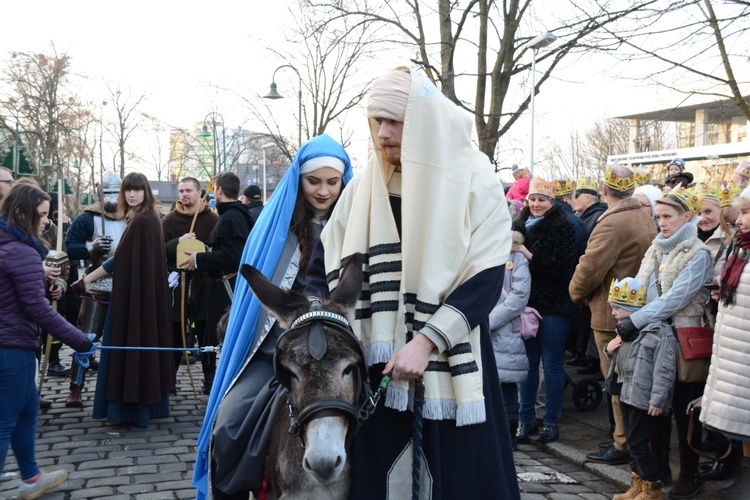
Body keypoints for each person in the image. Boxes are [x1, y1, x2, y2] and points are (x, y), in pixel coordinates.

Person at [306, 67, 519, 498]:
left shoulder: (475, 179)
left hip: (450, 362)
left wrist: (425, 342)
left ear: (425, 119)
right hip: (376, 367)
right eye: (377, 121)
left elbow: (486, 277)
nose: (382, 133)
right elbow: (322, 265)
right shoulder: (364, 184)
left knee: (456, 477)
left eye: (394, 121)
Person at [193, 134, 353, 499]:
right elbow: (260, 299)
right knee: (229, 423)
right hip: (275, 351)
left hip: (340, 353)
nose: (324, 191)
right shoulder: (274, 230)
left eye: (332, 182)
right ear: (299, 180)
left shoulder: (356, 226)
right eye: (314, 181)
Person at [1, 183, 95, 499]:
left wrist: (42, 278)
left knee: (27, 412)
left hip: (12, 344)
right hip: (11, 349)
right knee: (4, 423)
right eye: (42, 215)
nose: (46, 222)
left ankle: (30, 479)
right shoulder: (22, 250)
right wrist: (79, 340)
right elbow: (36, 308)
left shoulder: (13, 246)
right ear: (20, 213)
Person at [621, 185, 712, 499]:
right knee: (653, 407)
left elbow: (677, 298)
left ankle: (691, 474)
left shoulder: (698, 253)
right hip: (654, 338)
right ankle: (658, 471)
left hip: (683, 338)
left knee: (686, 410)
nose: (661, 222)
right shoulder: (656, 247)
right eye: (658, 216)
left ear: (686, 217)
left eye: (668, 216)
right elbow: (641, 287)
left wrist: (637, 319)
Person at [569, 165, 658, 467]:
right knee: (631, 382)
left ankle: (623, 443)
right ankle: (628, 440)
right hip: (639, 311)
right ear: (632, 191)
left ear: (605, 191)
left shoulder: (612, 224)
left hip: (612, 314)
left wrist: (576, 294)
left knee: (617, 383)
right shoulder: (644, 218)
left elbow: (589, 268)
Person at [81, 172, 176, 427]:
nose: (131, 194)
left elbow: (118, 261)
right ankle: (146, 406)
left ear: (146, 192)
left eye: (137, 190)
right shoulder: (147, 219)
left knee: (131, 340)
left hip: (135, 299)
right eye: (127, 190)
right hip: (141, 297)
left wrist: (89, 278)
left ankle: (130, 409)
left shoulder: (143, 221)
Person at [512, 177, 578, 444]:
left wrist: (528, 254)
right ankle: (525, 420)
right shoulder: (518, 226)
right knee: (526, 366)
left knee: (551, 365)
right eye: (533, 199)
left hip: (554, 305)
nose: (536, 204)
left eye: (542, 200)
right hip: (526, 305)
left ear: (552, 202)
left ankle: (550, 422)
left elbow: (562, 268)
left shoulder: (563, 227)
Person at [693, 187, 750, 499]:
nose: (738, 220)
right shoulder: (741, 248)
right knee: (740, 418)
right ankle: (740, 477)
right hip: (733, 345)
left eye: (744, 213)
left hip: (743, 346)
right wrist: (721, 294)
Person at [182, 171, 254, 395]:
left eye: (214, 189)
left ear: (219, 190)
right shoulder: (234, 215)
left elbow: (232, 256)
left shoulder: (232, 217)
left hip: (228, 288)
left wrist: (198, 259)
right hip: (224, 286)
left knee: (226, 339)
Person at [605, 278, 676, 500]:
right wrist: (609, 349)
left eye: (617, 308)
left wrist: (657, 399)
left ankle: (652, 487)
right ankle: (638, 485)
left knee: (638, 445)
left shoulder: (658, 331)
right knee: (632, 443)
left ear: (632, 309)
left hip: (642, 397)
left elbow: (664, 369)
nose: (614, 313)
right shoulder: (625, 330)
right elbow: (622, 360)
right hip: (626, 392)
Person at [64, 170, 127, 407]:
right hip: (96, 281)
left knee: (123, 336)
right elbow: (71, 247)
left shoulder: (129, 217)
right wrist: (91, 247)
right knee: (86, 336)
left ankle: (119, 386)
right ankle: (76, 387)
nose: (111, 196)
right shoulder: (86, 218)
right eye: (107, 191)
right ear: (99, 191)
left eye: (115, 191)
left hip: (124, 283)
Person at [161, 177, 219, 389]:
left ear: (199, 193)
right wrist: (178, 243)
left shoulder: (213, 220)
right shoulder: (168, 221)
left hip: (205, 284)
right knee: (175, 331)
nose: (184, 194)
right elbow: (156, 249)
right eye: (181, 191)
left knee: (206, 330)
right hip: (177, 284)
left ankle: (209, 377)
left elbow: (222, 252)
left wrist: (205, 254)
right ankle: (169, 377)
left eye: (188, 190)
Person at [489, 229, 530, 451]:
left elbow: (519, 297)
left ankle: (508, 433)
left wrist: (488, 320)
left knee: (506, 379)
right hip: (480, 324)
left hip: (504, 327)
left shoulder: (517, 257)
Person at [567, 177, 607, 371]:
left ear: (590, 198)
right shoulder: (586, 216)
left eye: (578, 195)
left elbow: (590, 254)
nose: (574, 199)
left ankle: (592, 358)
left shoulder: (597, 217)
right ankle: (585, 354)